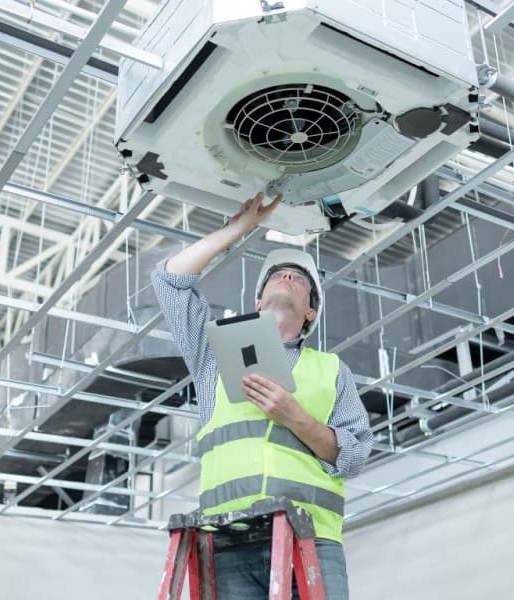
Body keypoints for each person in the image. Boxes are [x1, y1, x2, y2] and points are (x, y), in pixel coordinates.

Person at [152, 192, 373, 599]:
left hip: (310, 539)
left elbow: (355, 455)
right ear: (257, 302)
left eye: (299, 279)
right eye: (276, 275)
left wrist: (295, 417)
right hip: (226, 538)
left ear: (311, 313)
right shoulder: (214, 357)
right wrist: (238, 229)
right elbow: (168, 280)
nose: (286, 278)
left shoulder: (331, 370)